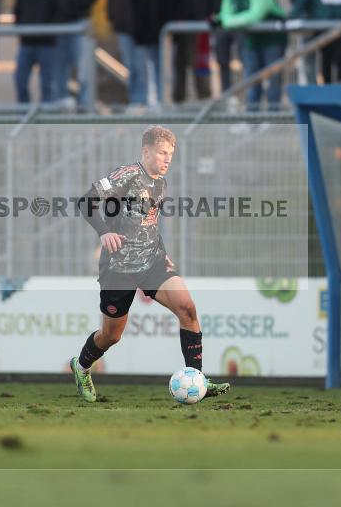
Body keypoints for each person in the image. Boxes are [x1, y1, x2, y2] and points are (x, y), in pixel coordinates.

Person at [70, 126, 230, 403]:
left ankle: (197, 380)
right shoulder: (127, 175)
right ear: (146, 151)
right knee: (111, 335)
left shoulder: (160, 182)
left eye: (170, 154)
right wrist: (104, 232)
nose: (167, 159)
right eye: (162, 153)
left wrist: (163, 252)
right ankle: (82, 366)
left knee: (188, 309)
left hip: (152, 262)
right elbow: (86, 201)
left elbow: (149, 222)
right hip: (119, 269)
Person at [218, 0, 287, 111]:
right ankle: (252, 117)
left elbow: (254, 15)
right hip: (250, 39)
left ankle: (272, 117)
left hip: (272, 39)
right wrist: (226, 19)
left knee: (272, 79)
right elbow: (225, 13)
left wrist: (228, 21)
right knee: (251, 79)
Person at [49, 0, 102, 109]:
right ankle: (61, 100)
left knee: (82, 64)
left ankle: (85, 101)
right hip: (58, 24)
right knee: (59, 64)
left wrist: (80, 7)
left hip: (79, 23)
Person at [130, 0, 183, 107]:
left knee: (165, 69)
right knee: (144, 68)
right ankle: (146, 101)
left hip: (166, 34)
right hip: (146, 34)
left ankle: (165, 99)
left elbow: (179, 6)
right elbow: (134, 6)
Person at [169, 0, 212, 104]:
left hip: (197, 26)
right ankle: (178, 101)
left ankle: (204, 99)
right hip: (176, 29)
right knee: (178, 65)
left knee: (198, 64)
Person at [13, 0, 58, 104]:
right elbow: (17, 11)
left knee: (47, 84)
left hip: (47, 43)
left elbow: (59, 11)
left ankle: (46, 119)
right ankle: (25, 116)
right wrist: (20, 29)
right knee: (20, 81)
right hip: (26, 43)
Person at [107, 0, 146, 106]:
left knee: (140, 66)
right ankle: (133, 99)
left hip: (140, 28)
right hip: (123, 27)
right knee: (130, 66)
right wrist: (113, 18)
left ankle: (142, 100)